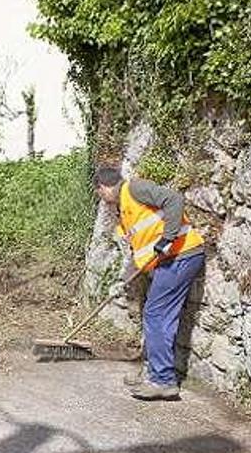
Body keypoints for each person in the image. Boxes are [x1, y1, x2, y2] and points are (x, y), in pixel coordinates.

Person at [94, 166, 205, 400]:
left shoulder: (135, 188)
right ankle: (154, 372)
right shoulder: (123, 208)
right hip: (169, 261)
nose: (102, 200)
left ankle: (163, 380)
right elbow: (142, 244)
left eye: (100, 194)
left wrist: (168, 238)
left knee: (156, 314)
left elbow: (174, 199)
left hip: (180, 255)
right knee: (156, 314)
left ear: (103, 187)